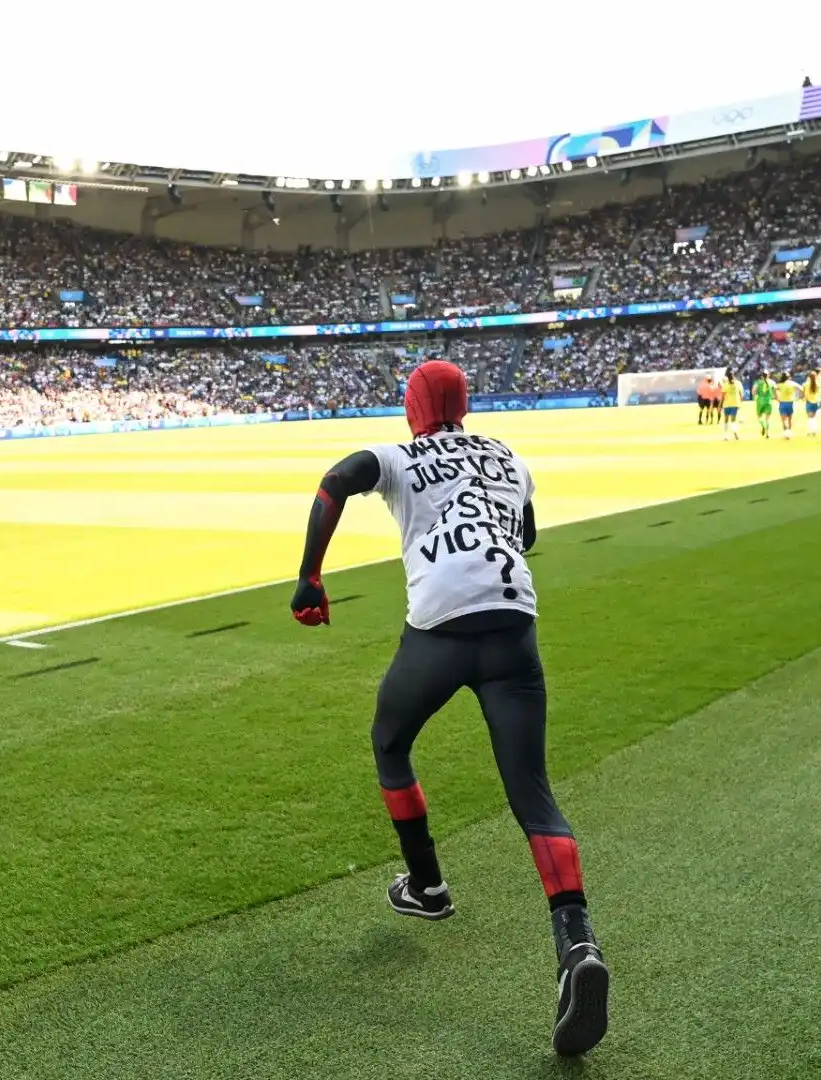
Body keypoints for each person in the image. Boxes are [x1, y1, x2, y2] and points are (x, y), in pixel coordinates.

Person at [289, 360, 608, 1058]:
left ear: (412, 405)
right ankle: (577, 943)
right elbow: (525, 536)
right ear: (465, 404)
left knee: (390, 742)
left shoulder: (398, 456)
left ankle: (428, 885)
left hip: (439, 630)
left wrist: (311, 576)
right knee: (534, 795)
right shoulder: (508, 457)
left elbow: (334, 481)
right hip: (512, 626)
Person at [774, 370, 798, 439]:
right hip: (791, 402)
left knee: (784, 419)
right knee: (790, 419)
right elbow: (801, 389)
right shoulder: (792, 383)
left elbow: (774, 390)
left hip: (782, 403)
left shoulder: (780, 384)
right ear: (789, 377)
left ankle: (786, 433)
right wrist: (798, 397)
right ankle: (789, 433)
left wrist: (777, 398)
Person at [720, 369, 744, 440]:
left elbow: (722, 396)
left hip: (726, 404)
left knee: (726, 421)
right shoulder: (738, 383)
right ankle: (735, 434)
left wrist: (719, 406)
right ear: (734, 376)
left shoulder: (725, 385)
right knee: (733, 421)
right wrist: (739, 402)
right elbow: (741, 395)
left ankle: (725, 436)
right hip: (735, 404)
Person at [752, 371, 775, 438]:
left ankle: (763, 425)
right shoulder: (772, 382)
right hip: (768, 401)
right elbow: (776, 389)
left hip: (760, 400)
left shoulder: (758, 382)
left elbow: (753, 391)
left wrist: (756, 396)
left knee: (759, 416)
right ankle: (767, 434)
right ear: (769, 375)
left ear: (762, 375)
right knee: (767, 419)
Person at [802, 370, 821, 436]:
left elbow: (804, 390)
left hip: (809, 401)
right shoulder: (818, 383)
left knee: (810, 417)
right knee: (814, 417)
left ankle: (810, 431)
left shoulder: (806, 384)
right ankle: (814, 431)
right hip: (817, 401)